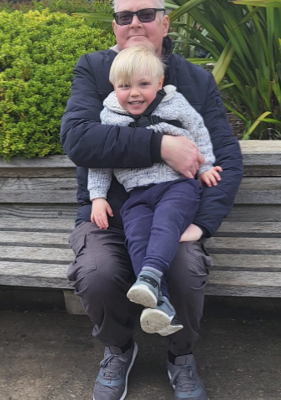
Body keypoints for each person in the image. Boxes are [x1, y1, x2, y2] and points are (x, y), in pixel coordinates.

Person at [59, 1, 244, 400]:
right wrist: (161, 145)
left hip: (175, 207)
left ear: (165, 21)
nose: (135, 23)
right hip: (108, 210)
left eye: (146, 13)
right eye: (125, 16)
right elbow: (79, 140)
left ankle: (181, 354)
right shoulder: (94, 70)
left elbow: (223, 155)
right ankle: (119, 348)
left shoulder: (194, 81)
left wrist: (204, 222)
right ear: (114, 26)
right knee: (98, 274)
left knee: (185, 269)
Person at [87, 44, 221, 337]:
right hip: (136, 194)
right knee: (136, 235)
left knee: (166, 223)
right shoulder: (110, 116)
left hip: (176, 185)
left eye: (143, 85)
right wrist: (97, 196)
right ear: (114, 86)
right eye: (125, 86)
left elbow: (198, 130)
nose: (134, 93)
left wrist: (204, 166)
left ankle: (149, 277)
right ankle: (158, 302)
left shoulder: (175, 104)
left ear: (159, 84)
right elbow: (99, 159)